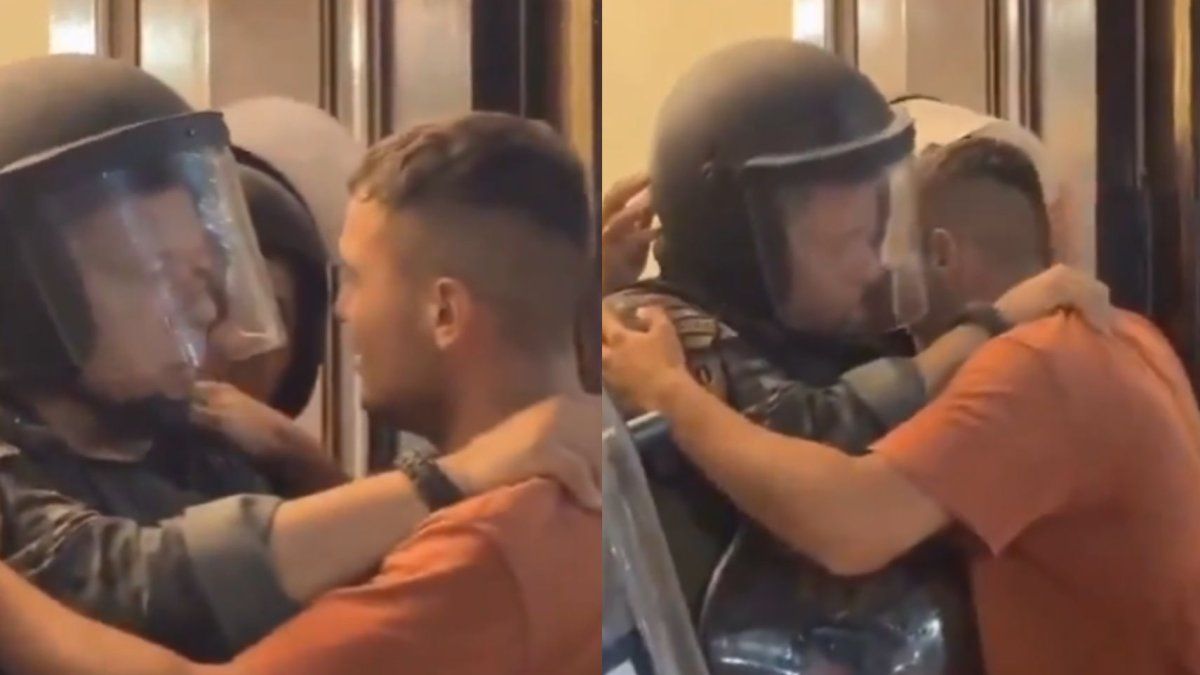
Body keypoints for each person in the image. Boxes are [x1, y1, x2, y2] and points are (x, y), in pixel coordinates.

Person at [0, 53, 598, 663]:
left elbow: (345, 588)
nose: (204, 310)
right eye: (155, 275)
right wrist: (453, 476)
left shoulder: (206, 443)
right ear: (24, 296)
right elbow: (129, 582)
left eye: (199, 273)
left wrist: (307, 468)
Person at [603, 134, 1200, 674]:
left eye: (884, 244)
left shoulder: (1034, 367)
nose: (874, 273)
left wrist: (668, 392)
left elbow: (850, 525)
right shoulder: (1120, 331)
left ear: (941, 255)